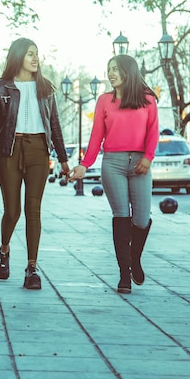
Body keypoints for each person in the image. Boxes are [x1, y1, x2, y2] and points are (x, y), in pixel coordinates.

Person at [0, 37, 70, 290]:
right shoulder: (3, 88)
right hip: (8, 152)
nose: (35, 58)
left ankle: (32, 268)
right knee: (12, 211)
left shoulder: (46, 88)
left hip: (38, 151)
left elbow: (54, 125)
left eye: (37, 54)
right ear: (18, 56)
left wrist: (64, 160)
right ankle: (4, 249)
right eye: (30, 53)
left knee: (33, 211)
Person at [70, 54, 159, 294]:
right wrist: (84, 165)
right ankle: (124, 275)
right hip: (113, 163)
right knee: (121, 215)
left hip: (140, 163)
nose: (111, 74)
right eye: (109, 69)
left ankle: (135, 260)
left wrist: (148, 158)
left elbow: (153, 132)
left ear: (128, 72)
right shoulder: (104, 101)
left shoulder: (148, 100)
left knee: (141, 219)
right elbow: (96, 135)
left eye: (115, 69)